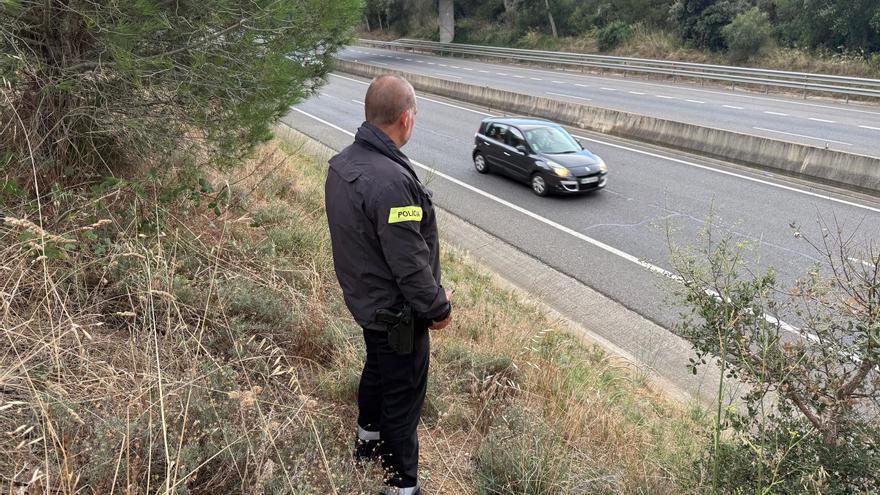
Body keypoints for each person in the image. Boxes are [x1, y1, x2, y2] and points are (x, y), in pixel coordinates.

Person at [324, 75, 453, 495]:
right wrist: (437, 308)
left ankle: (367, 442)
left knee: (377, 373)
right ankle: (402, 485)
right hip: (397, 314)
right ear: (405, 118)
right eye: (413, 115)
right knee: (404, 396)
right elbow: (409, 263)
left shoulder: (343, 165)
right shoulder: (392, 183)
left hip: (365, 303)